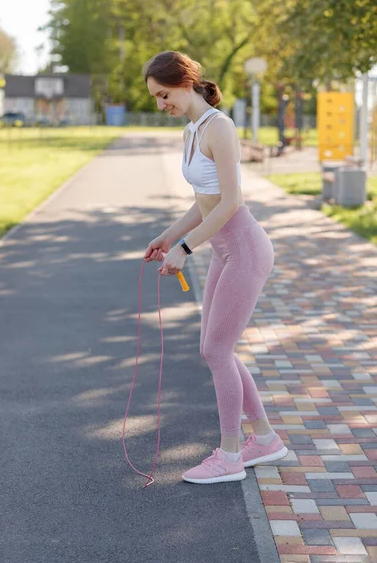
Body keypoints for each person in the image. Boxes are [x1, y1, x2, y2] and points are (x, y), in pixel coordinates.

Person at [143, 51, 288, 485]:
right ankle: (264, 440)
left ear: (186, 82)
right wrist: (168, 236)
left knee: (216, 351)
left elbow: (231, 202)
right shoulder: (192, 130)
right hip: (225, 252)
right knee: (217, 348)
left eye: (163, 94)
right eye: (154, 97)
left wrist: (185, 248)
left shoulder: (219, 127)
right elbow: (202, 200)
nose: (160, 104)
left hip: (245, 249)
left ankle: (229, 456)